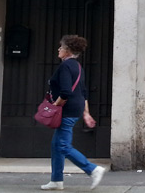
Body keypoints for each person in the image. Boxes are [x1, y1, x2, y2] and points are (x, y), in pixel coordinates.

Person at [40, 35, 106, 191]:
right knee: (56, 145)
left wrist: (55, 107)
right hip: (75, 108)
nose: (59, 49)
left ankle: (92, 169)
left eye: (61, 47)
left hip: (67, 109)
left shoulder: (65, 67)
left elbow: (66, 92)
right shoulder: (77, 67)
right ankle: (56, 180)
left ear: (67, 51)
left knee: (62, 145)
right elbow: (82, 92)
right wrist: (86, 113)